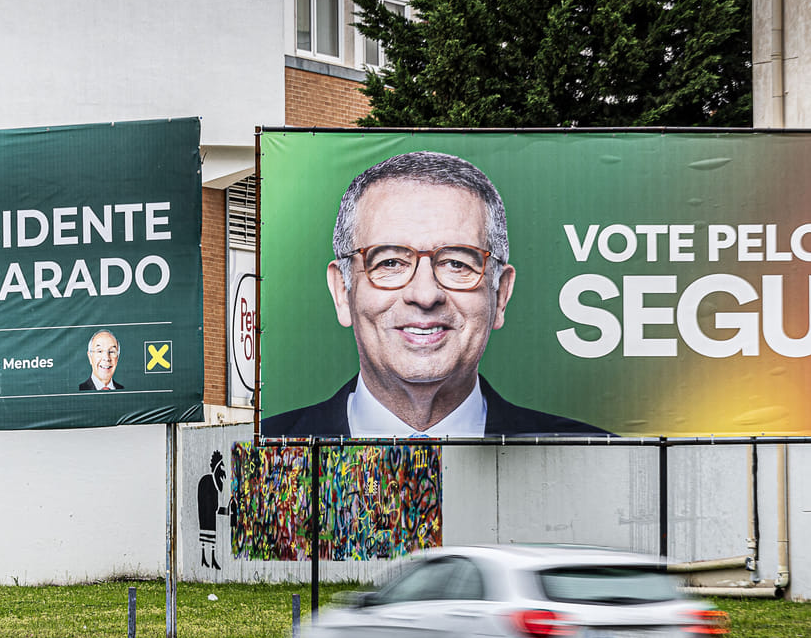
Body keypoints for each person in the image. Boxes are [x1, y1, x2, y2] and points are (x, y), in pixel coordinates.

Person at [259, 151, 611, 438]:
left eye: (457, 263)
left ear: (500, 294)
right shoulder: (261, 457)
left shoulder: (597, 460)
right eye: (391, 261)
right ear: (342, 291)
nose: (425, 294)